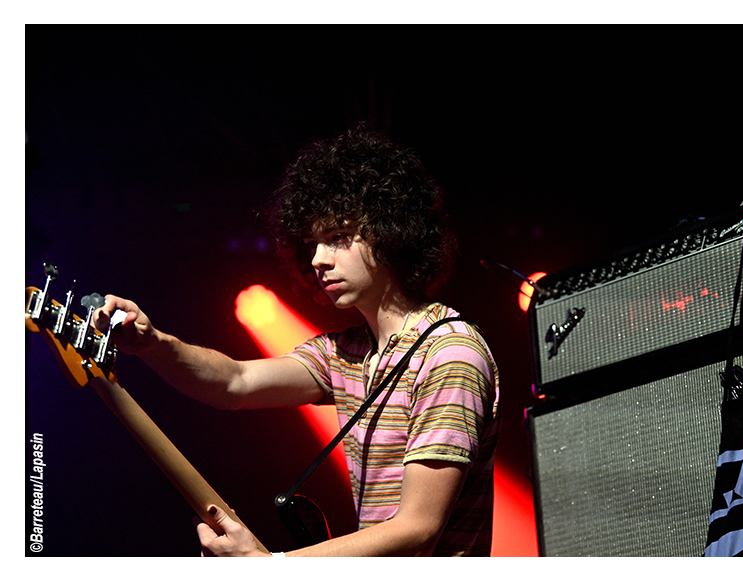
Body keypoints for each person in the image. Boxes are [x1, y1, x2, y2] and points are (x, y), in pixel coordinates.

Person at [94, 126, 501, 557]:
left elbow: (418, 528)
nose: (319, 259)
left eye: (339, 237)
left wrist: (272, 566)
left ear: (391, 231)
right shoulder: (346, 353)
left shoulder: (450, 353)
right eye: (312, 243)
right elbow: (233, 382)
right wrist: (154, 342)